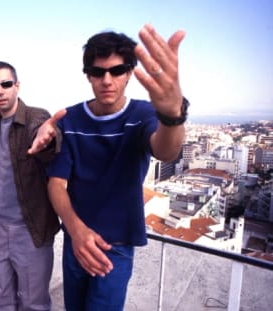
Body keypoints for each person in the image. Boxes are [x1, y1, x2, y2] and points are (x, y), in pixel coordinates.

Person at [33, 24, 189, 310]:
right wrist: (77, 232)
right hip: (76, 239)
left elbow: (166, 151)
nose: (107, 80)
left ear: (130, 73)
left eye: (117, 71)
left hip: (115, 246)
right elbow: (56, 183)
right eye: (98, 71)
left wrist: (172, 117)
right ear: (88, 75)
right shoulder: (71, 119)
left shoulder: (142, 114)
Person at [0, 61, 63, 311]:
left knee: (33, 303)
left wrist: (47, 139)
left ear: (17, 86)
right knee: (1, 300)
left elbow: (48, 138)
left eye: (6, 84)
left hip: (30, 228)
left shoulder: (35, 117)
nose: (0, 91)